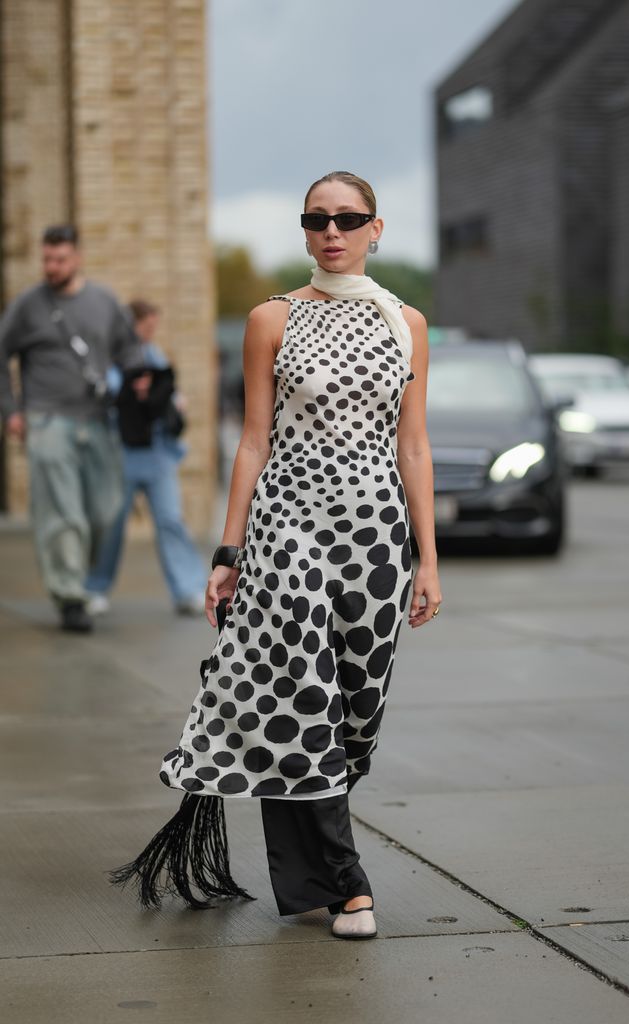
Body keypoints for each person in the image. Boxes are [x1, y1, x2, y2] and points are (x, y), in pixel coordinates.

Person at [110, 171, 442, 941]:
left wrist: (427, 559)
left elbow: (414, 444)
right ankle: (349, 884)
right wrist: (229, 548)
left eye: (349, 218)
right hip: (287, 530)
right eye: (317, 219)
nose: (333, 231)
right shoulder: (273, 319)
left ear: (376, 228)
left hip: (376, 540)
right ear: (304, 230)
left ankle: (305, 880)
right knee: (305, 695)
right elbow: (253, 440)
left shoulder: (408, 324)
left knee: (354, 714)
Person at [0, 225, 142, 632]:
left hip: (97, 419)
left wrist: (139, 381)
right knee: (65, 515)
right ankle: (69, 597)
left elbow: (128, 348)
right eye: (46, 259)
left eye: (59, 259)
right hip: (46, 419)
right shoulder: (27, 305)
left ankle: (78, 578)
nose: (51, 267)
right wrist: (10, 409)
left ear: (77, 257)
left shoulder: (103, 301)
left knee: (106, 510)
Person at [86, 300, 207, 616]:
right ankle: (94, 588)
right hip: (121, 454)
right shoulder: (112, 358)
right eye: (146, 326)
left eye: (154, 326)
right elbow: (108, 393)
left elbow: (166, 391)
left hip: (158, 454)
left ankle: (188, 589)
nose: (150, 332)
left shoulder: (155, 355)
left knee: (171, 520)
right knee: (112, 523)